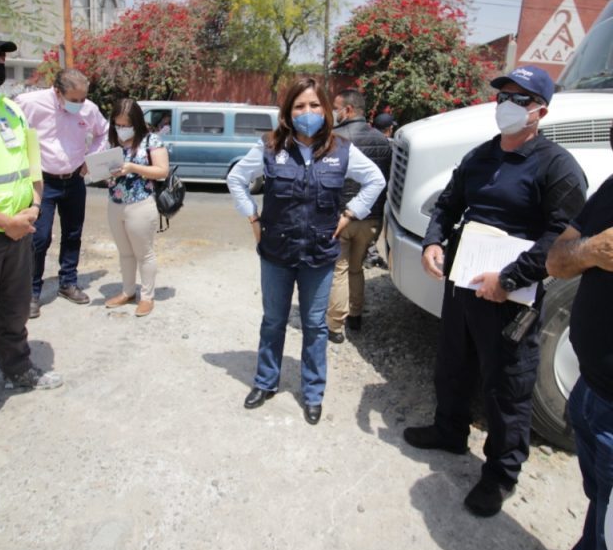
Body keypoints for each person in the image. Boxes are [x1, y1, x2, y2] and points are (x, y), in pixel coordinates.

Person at [403, 65, 587, 517]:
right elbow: (448, 205)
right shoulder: (480, 156)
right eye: (503, 96)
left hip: (511, 297)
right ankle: (449, 431)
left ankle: (500, 475)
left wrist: (508, 279)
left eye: (519, 99)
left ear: (540, 111)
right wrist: (432, 242)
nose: (507, 105)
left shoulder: (558, 167)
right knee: (453, 363)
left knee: (507, 386)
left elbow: (561, 237)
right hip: (464, 283)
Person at [227, 78, 385, 425]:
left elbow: (376, 180)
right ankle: (265, 382)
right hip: (277, 253)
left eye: (314, 105)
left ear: (326, 110)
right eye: (299, 106)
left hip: (319, 255)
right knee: (273, 321)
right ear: (288, 112)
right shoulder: (270, 147)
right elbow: (236, 179)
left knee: (315, 325)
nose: (307, 112)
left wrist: (351, 213)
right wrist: (252, 216)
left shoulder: (341, 149)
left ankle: (313, 392)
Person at [0, 21, 63, 450]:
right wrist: (2, 221)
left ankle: (17, 367)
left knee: (13, 309)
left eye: (2, 56)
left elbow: (32, 165)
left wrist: (35, 206)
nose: (0, 62)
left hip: (19, 230)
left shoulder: (9, 108)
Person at [546, 131, 613, 550]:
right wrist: (591, 250)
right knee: (599, 504)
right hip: (590, 392)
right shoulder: (611, 190)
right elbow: (557, 260)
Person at [15, 69, 109, 318]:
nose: (80, 104)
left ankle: (68, 282)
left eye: (83, 98)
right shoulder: (29, 103)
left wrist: (92, 158)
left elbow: (103, 131)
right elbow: (12, 131)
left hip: (74, 180)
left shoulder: (89, 109)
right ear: (57, 91)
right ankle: (31, 292)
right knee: (39, 238)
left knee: (73, 233)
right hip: (42, 182)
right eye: (74, 99)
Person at [326, 89, 391, 342]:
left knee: (338, 270)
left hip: (341, 217)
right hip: (371, 219)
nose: (334, 112)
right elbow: (385, 180)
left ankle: (335, 326)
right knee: (356, 268)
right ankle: (355, 315)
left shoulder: (334, 138)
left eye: (336, 107)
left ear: (348, 110)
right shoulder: (383, 140)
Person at [106, 98, 169, 317]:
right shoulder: (112, 141)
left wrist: (133, 167)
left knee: (144, 253)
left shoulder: (151, 140)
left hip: (140, 204)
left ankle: (147, 297)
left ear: (137, 122)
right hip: (115, 204)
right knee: (125, 253)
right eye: (118, 124)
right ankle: (127, 292)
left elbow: (162, 171)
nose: (121, 129)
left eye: (126, 125)